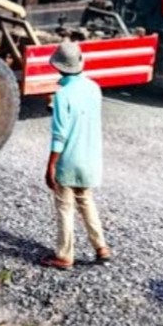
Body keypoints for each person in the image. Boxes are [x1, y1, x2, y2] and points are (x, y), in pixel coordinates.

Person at [41, 40, 111, 270]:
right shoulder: (94, 88)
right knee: (86, 200)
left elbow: (60, 135)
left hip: (69, 161)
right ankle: (101, 247)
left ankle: (64, 256)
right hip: (90, 159)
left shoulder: (62, 96)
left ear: (58, 67)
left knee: (65, 208)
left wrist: (50, 165)